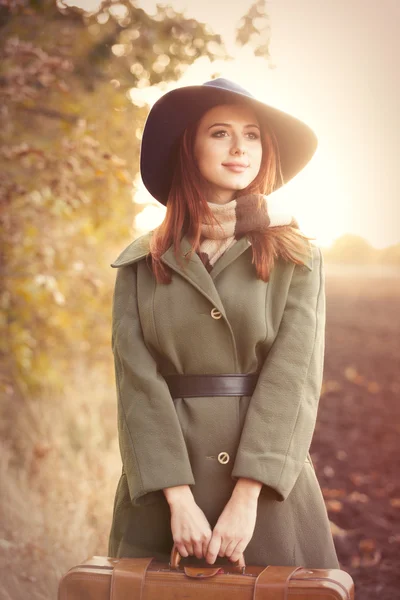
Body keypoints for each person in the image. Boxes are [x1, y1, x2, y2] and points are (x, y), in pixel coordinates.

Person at [107, 78, 339, 569]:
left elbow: (293, 380)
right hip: (163, 496)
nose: (239, 147)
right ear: (189, 148)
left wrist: (247, 498)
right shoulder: (140, 262)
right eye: (220, 133)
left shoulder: (298, 257)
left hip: (269, 499)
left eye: (252, 134)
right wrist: (179, 500)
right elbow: (137, 386)